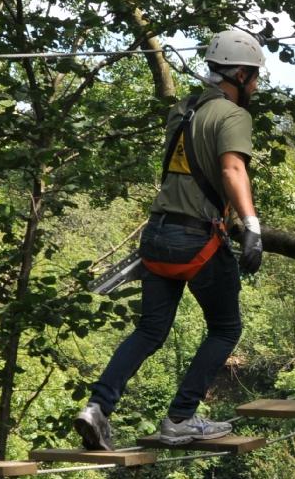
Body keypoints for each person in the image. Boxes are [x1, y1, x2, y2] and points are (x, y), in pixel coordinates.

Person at [75, 29, 266, 450]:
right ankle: (180, 417)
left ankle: (97, 407)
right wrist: (251, 226)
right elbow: (233, 169)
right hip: (197, 241)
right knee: (225, 328)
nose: (254, 85)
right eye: (252, 77)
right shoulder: (233, 116)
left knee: (150, 330)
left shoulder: (184, 108)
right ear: (237, 74)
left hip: (158, 234)